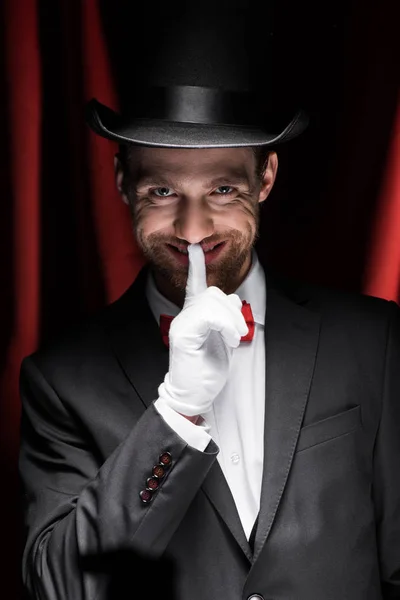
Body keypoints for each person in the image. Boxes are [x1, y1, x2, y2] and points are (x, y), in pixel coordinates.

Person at [18, 3, 400, 600]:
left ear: (266, 177)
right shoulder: (62, 380)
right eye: (163, 190)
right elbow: (63, 587)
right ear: (122, 180)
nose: (192, 228)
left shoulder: (372, 341)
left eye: (223, 189)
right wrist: (177, 410)